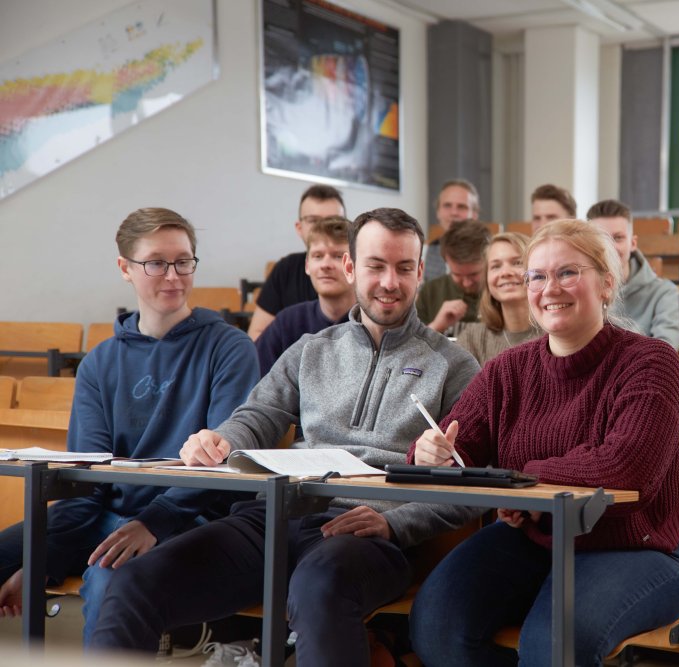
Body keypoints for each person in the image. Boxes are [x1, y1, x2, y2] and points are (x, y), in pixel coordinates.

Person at [90, 208, 482, 666]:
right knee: (136, 584)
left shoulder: (454, 366)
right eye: (375, 266)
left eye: (402, 268)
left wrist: (396, 524)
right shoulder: (311, 350)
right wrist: (221, 440)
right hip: (275, 517)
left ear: (419, 272)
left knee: (318, 586)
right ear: (351, 268)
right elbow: (257, 416)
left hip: (368, 533)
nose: (389, 282)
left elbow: (473, 486)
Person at [409, 219, 679, 666]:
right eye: (537, 276)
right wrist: (430, 453)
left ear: (606, 282)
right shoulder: (507, 369)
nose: (550, 288)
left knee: (550, 646)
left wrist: (517, 483)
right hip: (535, 541)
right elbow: (459, 446)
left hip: (635, 549)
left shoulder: (649, 361)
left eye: (567, 272)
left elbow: (625, 470)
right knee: (435, 627)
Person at [0, 208, 259, 644]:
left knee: (108, 581)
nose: (173, 275)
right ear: (125, 268)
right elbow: (86, 481)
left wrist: (153, 522)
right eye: (156, 262)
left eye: (184, 261)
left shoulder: (229, 348)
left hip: (189, 520)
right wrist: (43, 559)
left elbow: (224, 468)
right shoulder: (100, 362)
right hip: (105, 515)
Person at [255, 216, 355, 374]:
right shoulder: (286, 323)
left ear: (354, 265)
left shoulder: (373, 324)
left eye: (338, 256)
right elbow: (257, 386)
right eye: (318, 256)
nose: (325, 265)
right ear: (308, 265)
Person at [247, 184, 347, 341]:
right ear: (299, 228)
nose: (323, 228)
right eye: (314, 221)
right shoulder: (286, 270)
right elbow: (258, 335)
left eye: (332, 222)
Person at [587, 198, 679, 350]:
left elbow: (664, 353)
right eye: (601, 238)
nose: (609, 247)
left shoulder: (664, 293)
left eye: (618, 238)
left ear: (633, 243)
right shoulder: (578, 292)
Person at [455, 232, 540, 365]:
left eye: (517, 262)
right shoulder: (473, 338)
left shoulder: (558, 334)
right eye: (496, 266)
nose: (505, 272)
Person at [415, 219, 493, 334]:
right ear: (446, 262)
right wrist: (436, 326)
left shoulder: (501, 291)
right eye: (457, 274)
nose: (466, 283)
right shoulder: (430, 292)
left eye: (474, 274)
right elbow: (412, 348)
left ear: (489, 260)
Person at [425, 179, 481, 282]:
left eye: (462, 207)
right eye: (447, 205)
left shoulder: (488, 253)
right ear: (438, 212)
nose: (454, 212)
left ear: (474, 214)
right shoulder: (425, 252)